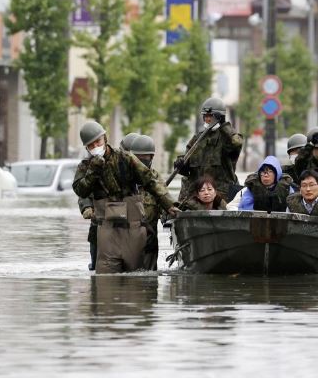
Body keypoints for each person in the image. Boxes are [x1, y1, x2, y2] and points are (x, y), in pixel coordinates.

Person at [73, 121, 179, 273]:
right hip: (107, 229)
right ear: (87, 148)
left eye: (98, 141)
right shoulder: (85, 166)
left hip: (133, 228)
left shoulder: (125, 158)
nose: (95, 146)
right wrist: (93, 171)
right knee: (106, 280)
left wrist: (169, 205)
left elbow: (151, 181)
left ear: (104, 138)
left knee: (137, 278)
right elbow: (81, 191)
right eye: (91, 145)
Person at [174, 97, 243, 202]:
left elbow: (237, 143)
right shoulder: (197, 139)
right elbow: (188, 167)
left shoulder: (226, 138)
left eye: (211, 116)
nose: (208, 119)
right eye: (205, 116)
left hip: (220, 197)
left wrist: (224, 126)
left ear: (220, 117)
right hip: (197, 196)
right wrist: (181, 164)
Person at [130, 134, 169, 271]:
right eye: (137, 158)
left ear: (151, 158)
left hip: (149, 242)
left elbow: (166, 204)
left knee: (148, 282)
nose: (141, 162)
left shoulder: (157, 180)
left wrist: (168, 215)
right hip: (127, 240)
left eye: (144, 158)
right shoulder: (124, 178)